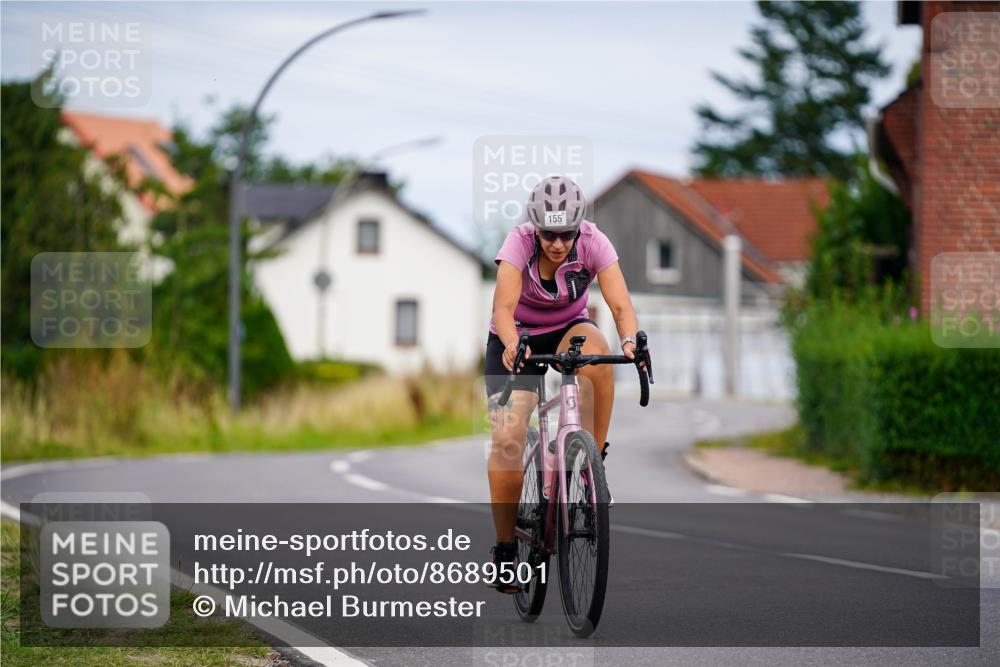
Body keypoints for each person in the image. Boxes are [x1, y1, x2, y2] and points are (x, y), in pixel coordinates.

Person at [484, 175, 640, 593]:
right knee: (509, 438)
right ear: (535, 228)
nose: (557, 243)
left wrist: (630, 340)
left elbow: (620, 302)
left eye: (566, 234)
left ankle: (592, 466)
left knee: (599, 350)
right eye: (549, 235)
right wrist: (514, 345)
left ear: (578, 228)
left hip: (569, 327)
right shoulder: (517, 243)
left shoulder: (594, 242)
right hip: (517, 334)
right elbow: (502, 307)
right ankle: (504, 550)